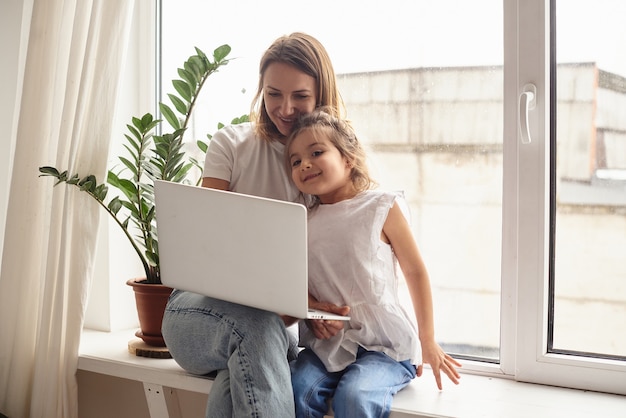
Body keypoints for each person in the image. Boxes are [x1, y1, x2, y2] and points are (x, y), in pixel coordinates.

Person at [161, 33, 349, 418]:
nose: (284, 107)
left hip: (272, 330)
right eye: (273, 93)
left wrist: (315, 310)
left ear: (321, 95)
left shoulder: (326, 167)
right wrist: (284, 302)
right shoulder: (231, 145)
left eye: (300, 96)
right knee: (258, 328)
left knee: (242, 369)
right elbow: (203, 251)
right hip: (194, 314)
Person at [285, 109, 462, 418]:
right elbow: (297, 283)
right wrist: (313, 314)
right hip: (328, 345)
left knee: (354, 397)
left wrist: (428, 339)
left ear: (348, 158)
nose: (305, 164)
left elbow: (415, 271)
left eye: (316, 152)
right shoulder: (302, 219)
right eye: (296, 161)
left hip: (384, 347)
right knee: (297, 390)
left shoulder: (381, 205)